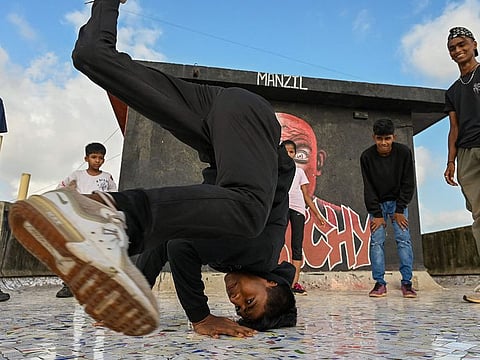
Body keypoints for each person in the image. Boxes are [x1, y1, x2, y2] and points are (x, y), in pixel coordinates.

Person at [8, 0, 297, 338]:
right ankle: (109, 214)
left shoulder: (236, 255)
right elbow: (181, 247)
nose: (234, 298)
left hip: (217, 114)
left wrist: (131, 294)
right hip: (253, 124)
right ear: (270, 282)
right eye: (250, 300)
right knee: (248, 212)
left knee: (93, 58)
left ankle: (104, 7)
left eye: (237, 307)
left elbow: (169, 241)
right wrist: (200, 316)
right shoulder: (258, 254)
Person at [360, 119, 417, 298]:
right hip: (377, 205)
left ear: (394, 137)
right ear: (373, 138)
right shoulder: (366, 156)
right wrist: (376, 213)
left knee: (404, 240)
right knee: (376, 242)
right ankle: (379, 284)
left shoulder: (404, 153)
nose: (383, 143)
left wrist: (400, 209)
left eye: (387, 138)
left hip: (398, 203)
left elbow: (409, 182)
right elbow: (368, 186)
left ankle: (407, 283)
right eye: (379, 139)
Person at [55, 142, 117, 298]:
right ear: (86, 158)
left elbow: (114, 197)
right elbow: (60, 189)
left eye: (101, 158)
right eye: (94, 157)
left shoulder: (106, 177)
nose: (97, 160)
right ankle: (69, 285)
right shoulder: (77, 175)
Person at [444, 26, 480, 294]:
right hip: (466, 153)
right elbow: (453, 128)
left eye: (461, 44)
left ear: (474, 44)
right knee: (478, 215)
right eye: (452, 48)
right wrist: (450, 161)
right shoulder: (453, 91)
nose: (457, 50)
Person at [282, 140, 325, 294]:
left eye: (292, 152)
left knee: (296, 245)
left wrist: (317, 214)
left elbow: (306, 195)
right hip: (281, 208)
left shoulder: (299, 172)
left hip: (298, 209)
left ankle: (294, 283)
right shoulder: (277, 171)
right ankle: (275, 280)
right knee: (276, 242)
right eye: (286, 151)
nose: (289, 154)